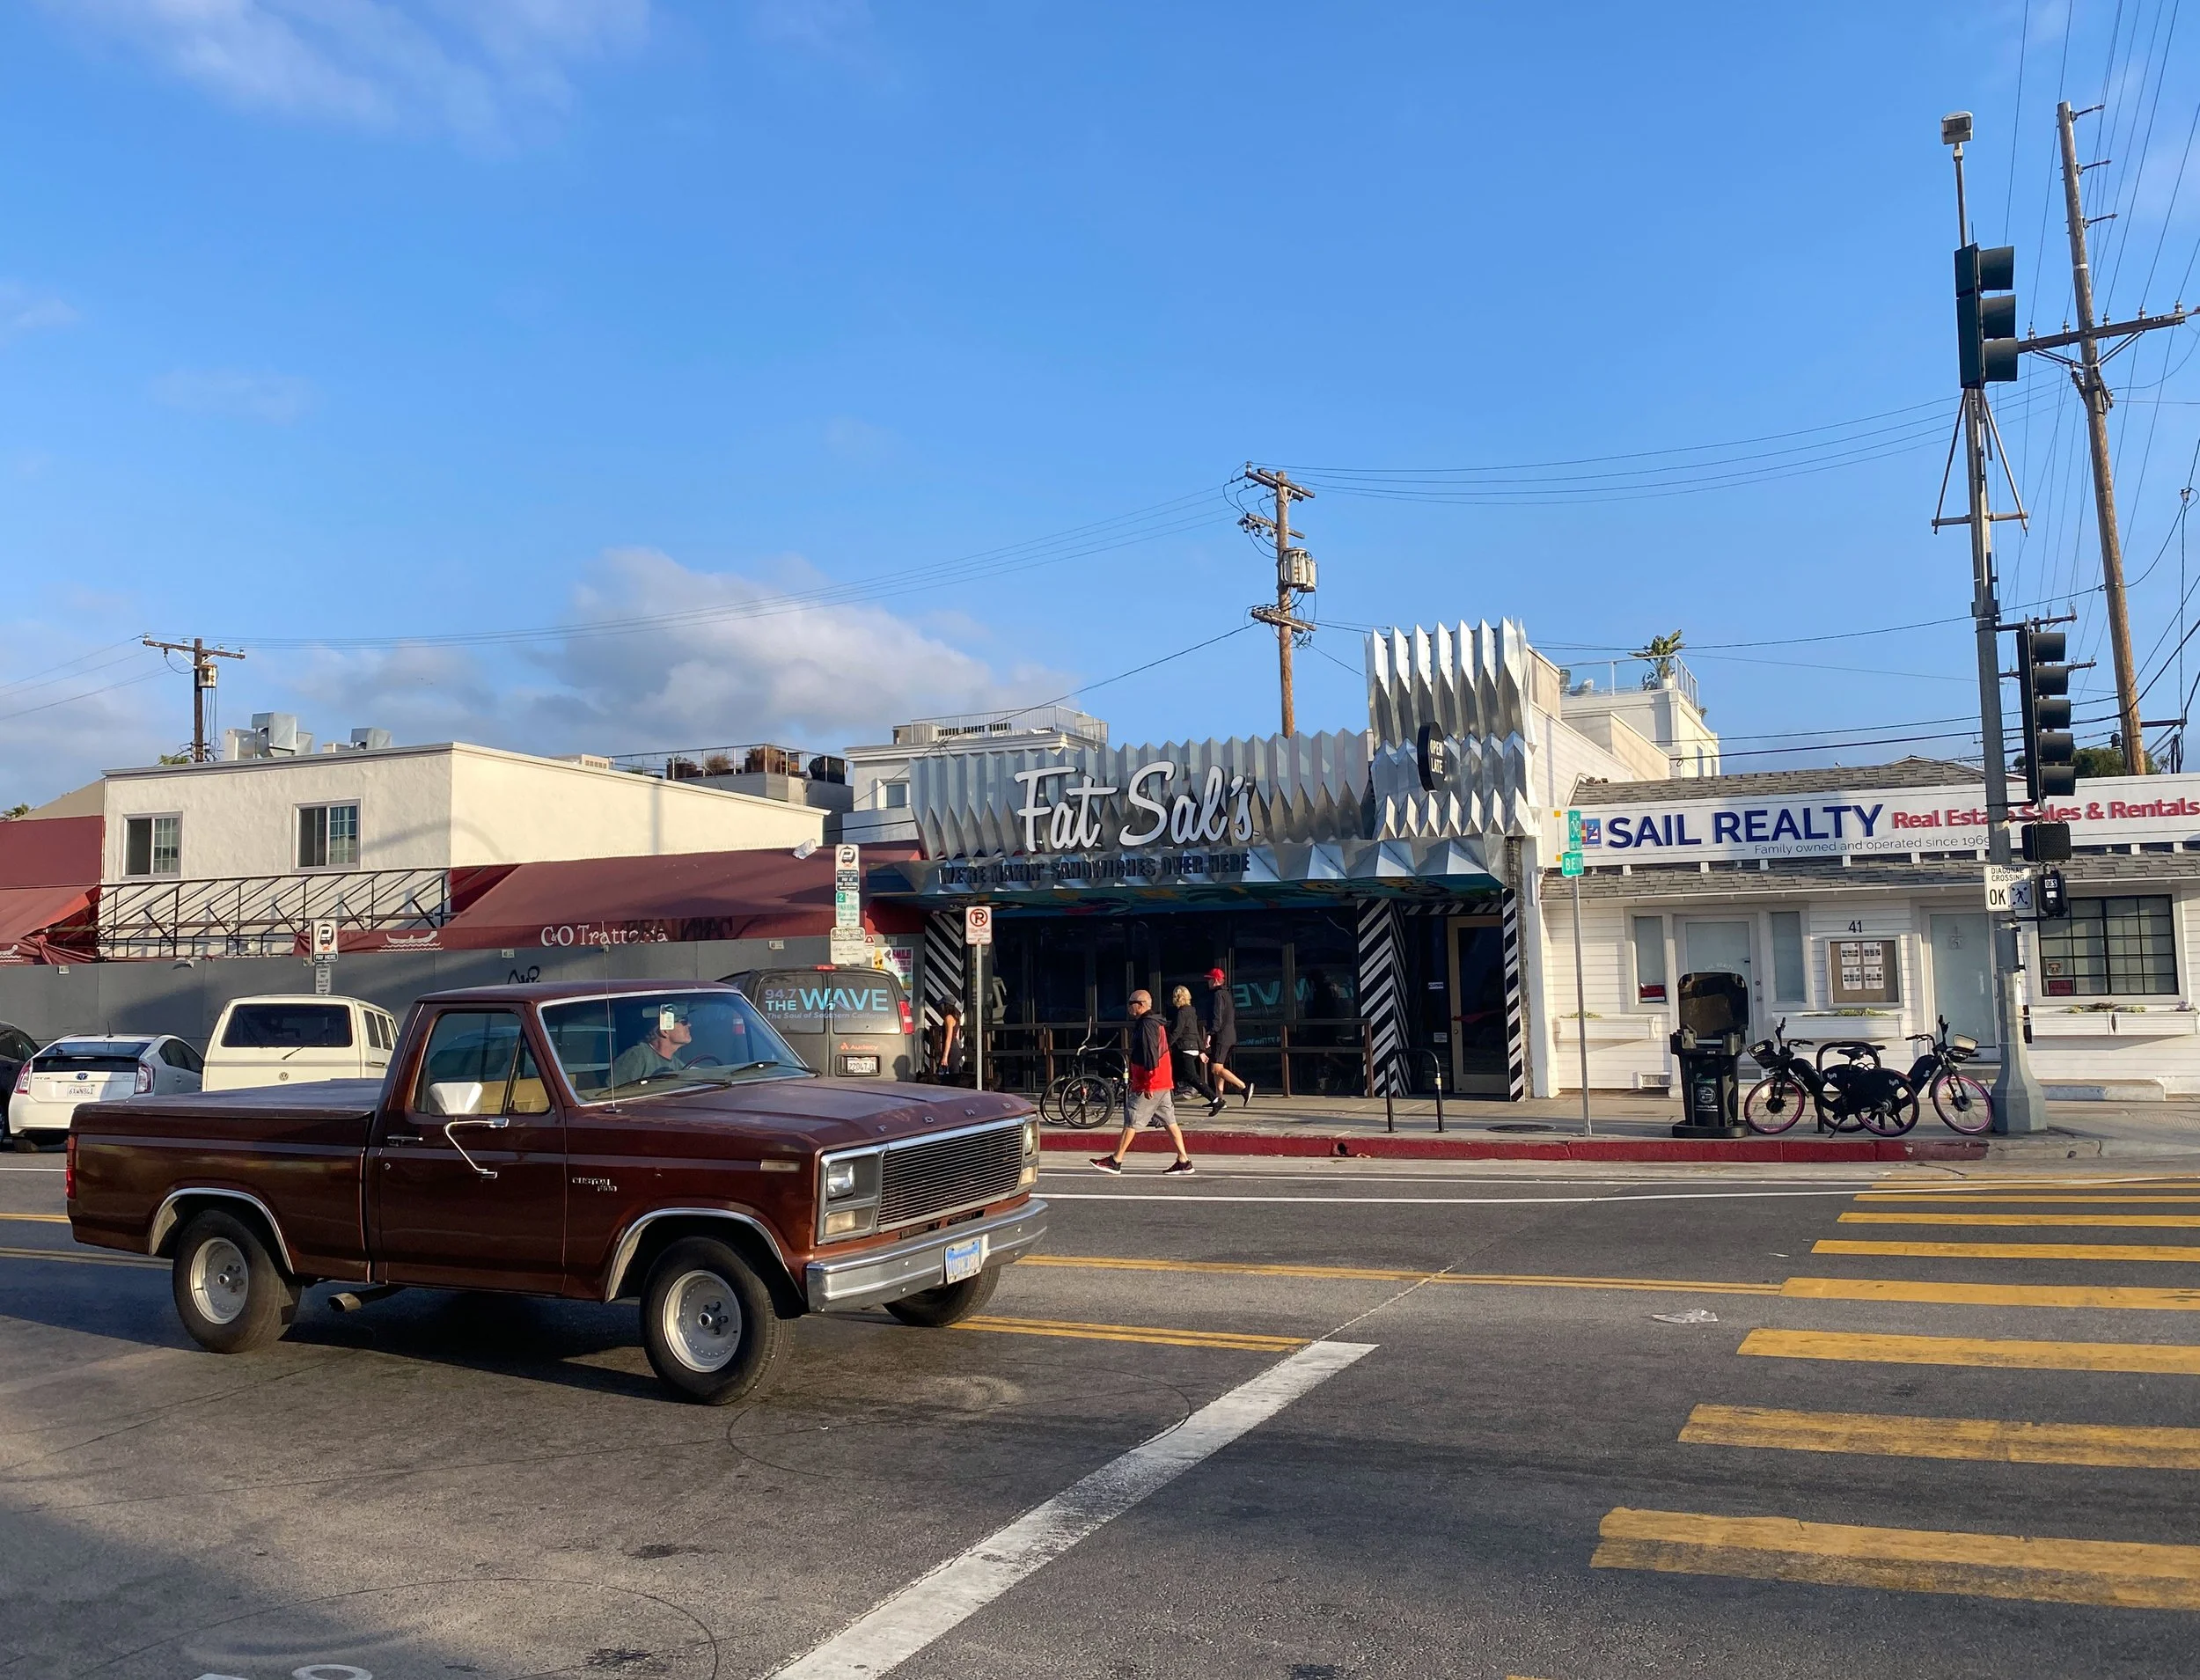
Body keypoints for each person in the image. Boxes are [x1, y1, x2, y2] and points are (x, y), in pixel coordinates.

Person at [1092, 990, 1193, 1175]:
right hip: (1163, 1081)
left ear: (1141, 1004)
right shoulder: (1156, 1022)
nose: (1129, 1006)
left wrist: (1148, 1083)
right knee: (1169, 1121)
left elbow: (1150, 1055)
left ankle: (1116, 1160)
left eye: (1131, 1003)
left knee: (1132, 1119)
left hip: (1152, 1082)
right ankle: (1184, 1160)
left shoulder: (1147, 1024)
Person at [610, 1001, 693, 1088]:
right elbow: (612, 1093)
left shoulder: (677, 1064)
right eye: (684, 1021)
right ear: (665, 1031)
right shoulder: (636, 1056)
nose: (689, 1025)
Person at [1203, 966, 1250, 1114]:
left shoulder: (1219, 995)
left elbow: (1218, 1017)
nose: (1208, 982)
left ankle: (1244, 1087)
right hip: (1227, 1035)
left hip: (1222, 1036)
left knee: (1216, 1068)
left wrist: (1210, 1033)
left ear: (1216, 980)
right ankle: (1219, 1099)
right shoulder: (1226, 994)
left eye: (1210, 979)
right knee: (1219, 1067)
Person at [1167, 984, 1210, 1101]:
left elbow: (1177, 1031)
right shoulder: (1192, 1011)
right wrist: (1201, 1050)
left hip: (1185, 1047)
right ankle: (1173, 1094)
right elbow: (1195, 1031)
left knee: (1192, 1077)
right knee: (1179, 1071)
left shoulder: (1182, 1012)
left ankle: (1214, 1098)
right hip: (1192, 1046)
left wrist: (1166, 1045)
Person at [933, 1001, 967, 1084]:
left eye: (942, 1005)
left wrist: (945, 1056)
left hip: (951, 1050)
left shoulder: (948, 1018)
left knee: (946, 1078)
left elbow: (949, 1037)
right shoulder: (956, 1017)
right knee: (954, 1076)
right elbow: (957, 1036)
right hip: (956, 1049)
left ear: (945, 1005)